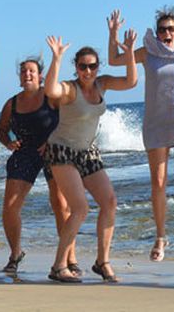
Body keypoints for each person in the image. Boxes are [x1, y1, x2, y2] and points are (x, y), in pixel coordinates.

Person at [44, 31, 137, 284]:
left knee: (109, 201)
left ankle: (102, 262)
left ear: (98, 67)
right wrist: (56, 58)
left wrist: (129, 52)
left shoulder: (102, 84)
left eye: (92, 66)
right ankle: (58, 265)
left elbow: (131, 82)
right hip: (61, 151)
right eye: (83, 66)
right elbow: (50, 90)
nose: (88, 71)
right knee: (80, 208)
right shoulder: (69, 89)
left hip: (88, 151)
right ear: (76, 67)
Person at [108, 7, 174, 262]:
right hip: (155, 123)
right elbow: (115, 60)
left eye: (171, 28)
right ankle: (161, 237)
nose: (167, 33)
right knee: (158, 182)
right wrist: (113, 33)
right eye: (162, 29)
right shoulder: (149, 52)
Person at [0, 57, 77, 275]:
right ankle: (15, 254)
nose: (27, 74)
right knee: (10, 206)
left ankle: (70, 258)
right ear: (20, 78)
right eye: (23, 71)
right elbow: (1, 129)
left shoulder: (50, 97)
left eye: (32, 71)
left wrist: (52, 141)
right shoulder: (11, 103)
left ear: (40, 76)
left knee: (60, 203)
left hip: (53, 150)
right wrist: (8, 142)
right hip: (25, 152)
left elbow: (70, 119)